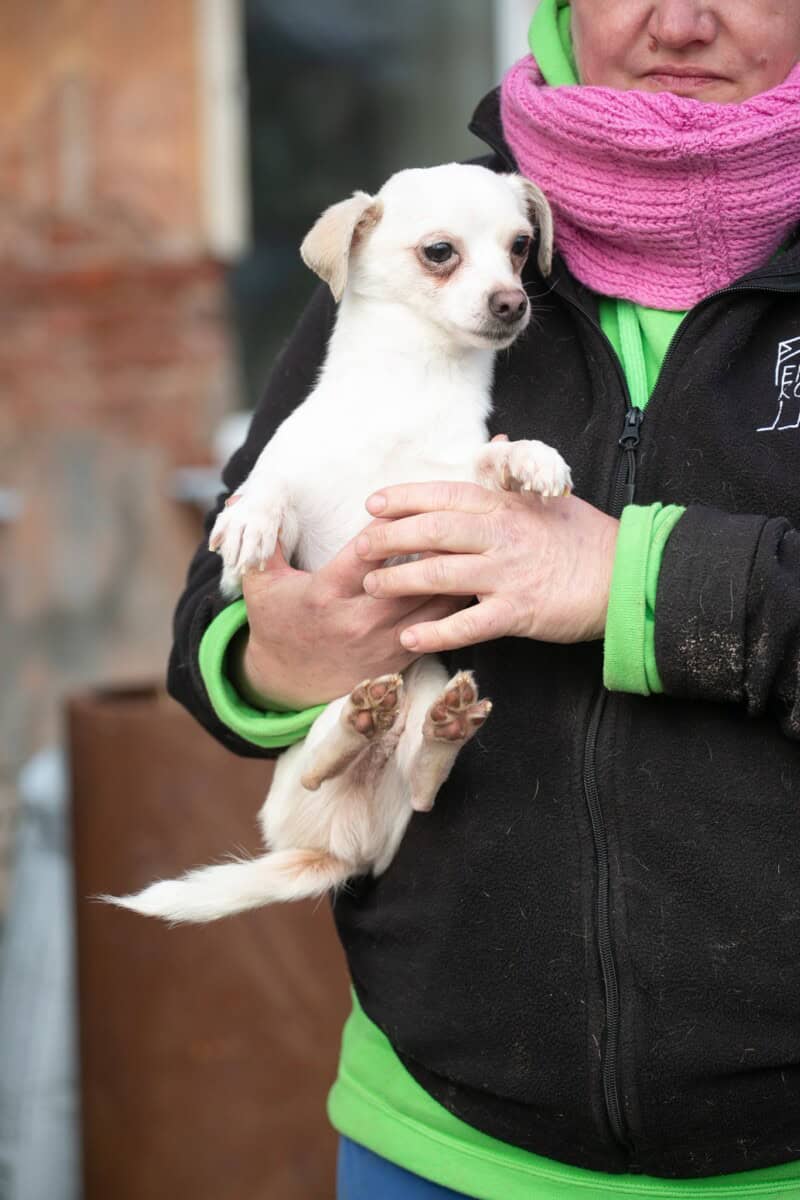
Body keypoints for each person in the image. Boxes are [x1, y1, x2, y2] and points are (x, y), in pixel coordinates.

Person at [168, 0, 800, 1195]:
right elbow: (217, 616)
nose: (680, 21)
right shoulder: (410, 240)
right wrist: (281, 655)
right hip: (436, 1131)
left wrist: (639, 582)